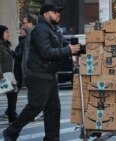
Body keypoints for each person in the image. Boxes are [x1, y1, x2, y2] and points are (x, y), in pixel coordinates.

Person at [3, 3, 80, 141]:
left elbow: (65, 45)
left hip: (50, 75)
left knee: (53, 110)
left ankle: (52, 138)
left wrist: (87, 47)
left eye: (59, 12)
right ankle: (10, 132)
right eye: (55, 12)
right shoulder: (40, 30)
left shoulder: (53, 30)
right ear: (45, 14)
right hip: (39, 75)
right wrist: (69, 50)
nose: (58, 14)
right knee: (34, 107)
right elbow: (47, 53)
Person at [0, 25, 18, 124]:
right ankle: (12, 115)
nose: (8, 34)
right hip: (2, 75)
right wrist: (1, 76)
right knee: (11, 94)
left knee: (12, 94)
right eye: (6, 32)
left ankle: (12, 115)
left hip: (9, 74)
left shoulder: (6, 45)